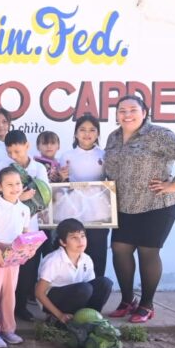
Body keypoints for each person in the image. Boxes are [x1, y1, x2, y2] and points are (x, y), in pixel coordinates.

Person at [103, 95, 175, 323]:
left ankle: (146, 305)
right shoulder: (113, 137)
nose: (127, 114)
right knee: (119, 249)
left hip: (156, 204)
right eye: (122, 110)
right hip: (124, 205)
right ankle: (127, 301)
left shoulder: (158, 134)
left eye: (133, 110)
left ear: (144, 112)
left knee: (148, 252)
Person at [0, 166, 31, 348]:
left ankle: (8, 329)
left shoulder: (24, 209)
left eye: (17, 183)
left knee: (10, 292)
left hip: (15, 253)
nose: (15, 188)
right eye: (9, 184)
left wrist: (28, 249)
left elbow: (25, 234)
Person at [4, 129, 51, 321]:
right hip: (7, 228)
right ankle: (6, 307)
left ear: (27, 146)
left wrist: (23, 198)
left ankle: (21, 306)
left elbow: (44, 196)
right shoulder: (4, 167)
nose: (14, 156)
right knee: (7, 268)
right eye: (9, 152)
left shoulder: (39, 168)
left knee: (28, 269)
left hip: (31, 227)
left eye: (17, 151)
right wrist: (20, 197)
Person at [58, 114, 109, 282]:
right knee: (73, 252)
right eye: (82, 130)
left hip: (98, 212)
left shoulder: (104, 155)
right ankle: (74, 290)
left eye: (92, 130)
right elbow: (62, 186)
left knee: (97, 253)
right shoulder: (67, 155)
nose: (87, 134)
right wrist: (62, 178)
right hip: (73, 210)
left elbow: (110, 182)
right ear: (75, 133)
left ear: (98, 134)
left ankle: (96, 291)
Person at [36, 218, 113, 323]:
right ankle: (56, 318)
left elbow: (92, 288)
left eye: (82, 236)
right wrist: (60, 315)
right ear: (63, 242)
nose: (80, 241)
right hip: (54, 300)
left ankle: (90, 320)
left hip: (76, 296)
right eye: (74, 238)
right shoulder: (54, 260)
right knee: (84, 289)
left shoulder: (86, 259)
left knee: (105, 283)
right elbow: (39, 293)